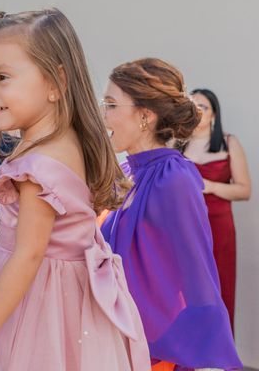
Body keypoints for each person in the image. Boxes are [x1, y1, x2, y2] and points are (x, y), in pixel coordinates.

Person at [0, 9, 150, 371]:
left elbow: (28, 255)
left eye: (2, 77)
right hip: (72, 303)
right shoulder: (67, 142)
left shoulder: (36, 165)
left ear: (56, 82)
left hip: (39, 305)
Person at [100, 59, 242, 371]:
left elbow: (197, 270)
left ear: (145, 116)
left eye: (111, 104)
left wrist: (209, 357)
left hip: (155, 349)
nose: (103, 114)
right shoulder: (127, 171)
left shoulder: (173, 176)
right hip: (115, 336)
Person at [183, 88, 251, 333]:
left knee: (219, 287)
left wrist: (210, 186)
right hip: (186, 228)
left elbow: (244, 190)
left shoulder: (228, 142)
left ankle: (218, 363)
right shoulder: (177, 144)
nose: (197, 111)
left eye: (203, 107)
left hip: (219, 226)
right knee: (187, 290)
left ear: (213, 115)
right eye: (192, 105)